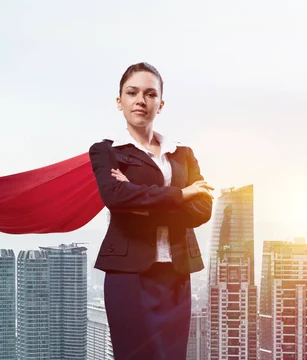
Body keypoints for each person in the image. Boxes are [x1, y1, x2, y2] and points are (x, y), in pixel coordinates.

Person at [88, 62, 214, 360]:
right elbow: (117, 198)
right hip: (128, 275)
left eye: (150, 94)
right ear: (120, 101)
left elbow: (203, 209)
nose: (141, 100)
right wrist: (181, 194)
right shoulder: (106, 152)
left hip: (176, 273)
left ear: (161, 103)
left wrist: (143, 202)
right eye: (132, 92)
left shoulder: (182, 154)